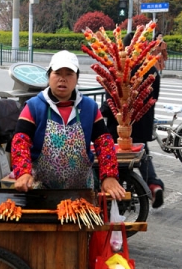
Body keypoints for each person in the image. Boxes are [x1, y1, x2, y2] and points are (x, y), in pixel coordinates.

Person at [11, 50, 125, 201]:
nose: (62, 79)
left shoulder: (90, 108)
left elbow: (104, 142)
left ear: (77, 78)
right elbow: (20, 141)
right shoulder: (33, 107)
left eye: (69, 74)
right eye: (57, 73)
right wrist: (23, 172)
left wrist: (109, 176)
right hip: (41, 193)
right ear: (49, 76)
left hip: (81, 194)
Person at [102, 32, 165, 208]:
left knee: (119, 158)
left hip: (120, 124)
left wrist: (102, 113)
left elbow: (111, 98)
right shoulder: (151, 69)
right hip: (143, 121)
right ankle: (153, 184)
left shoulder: (119, 69)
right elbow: (155, 96)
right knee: (141, 153)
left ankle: (123, 194)